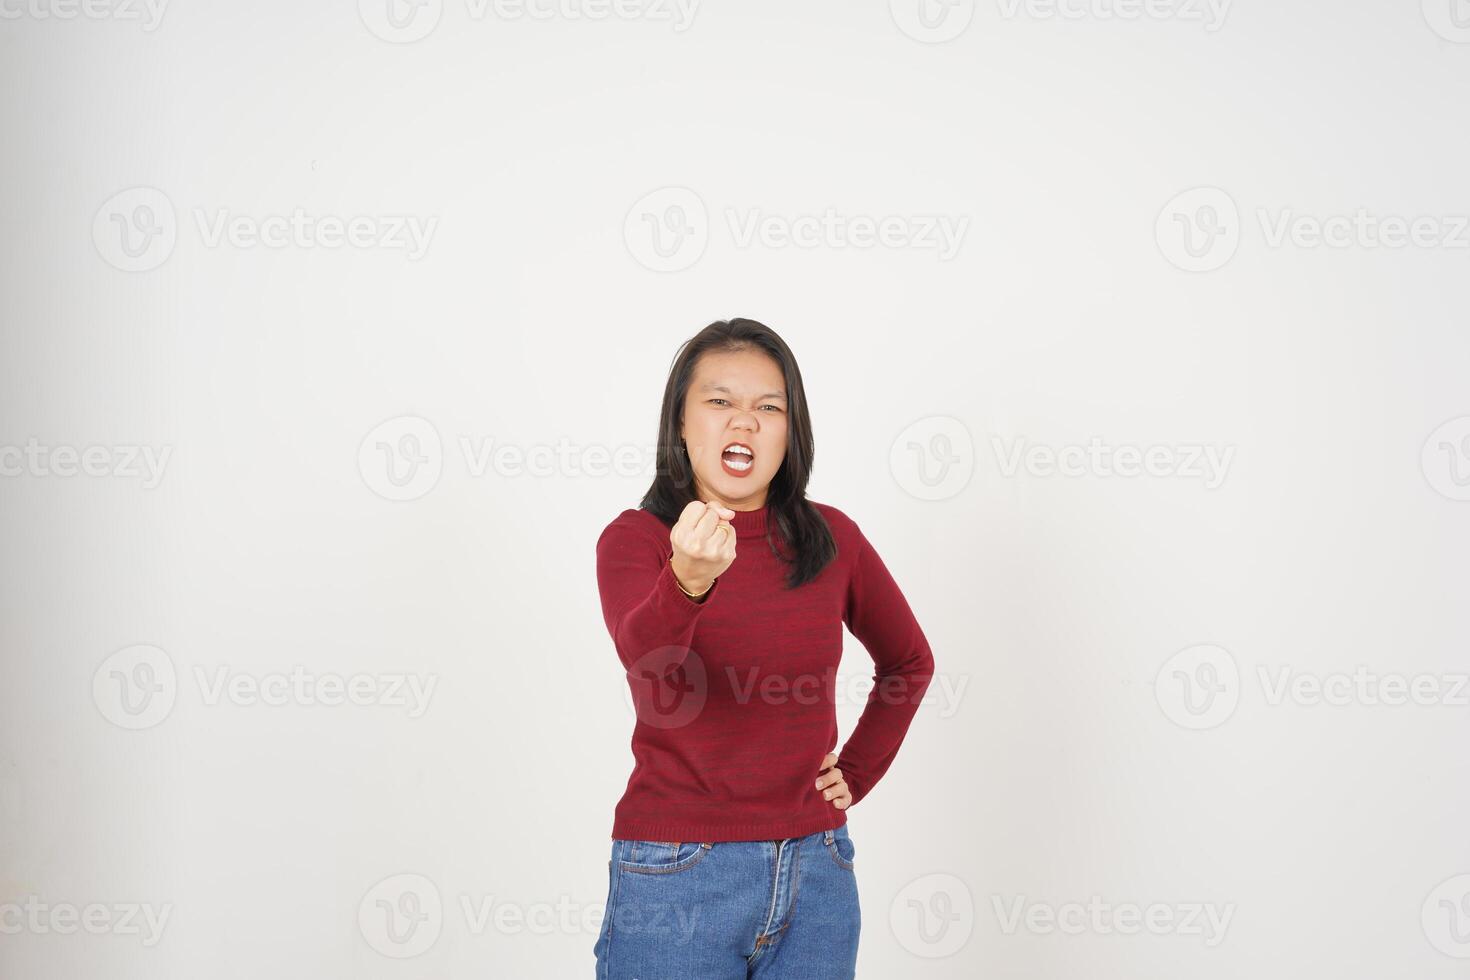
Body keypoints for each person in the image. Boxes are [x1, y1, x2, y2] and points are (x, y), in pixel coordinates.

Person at [592, 317, 936, 979]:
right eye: (719, 402)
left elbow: (909, 662)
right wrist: (686, 581)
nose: (743, 422)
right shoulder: (637, 540)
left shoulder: (833, 538)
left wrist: (857, 772)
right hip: (677, 875)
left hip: (819, 873)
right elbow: (651, 669)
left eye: (768, 407)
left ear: (790, 430)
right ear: (682, 424)